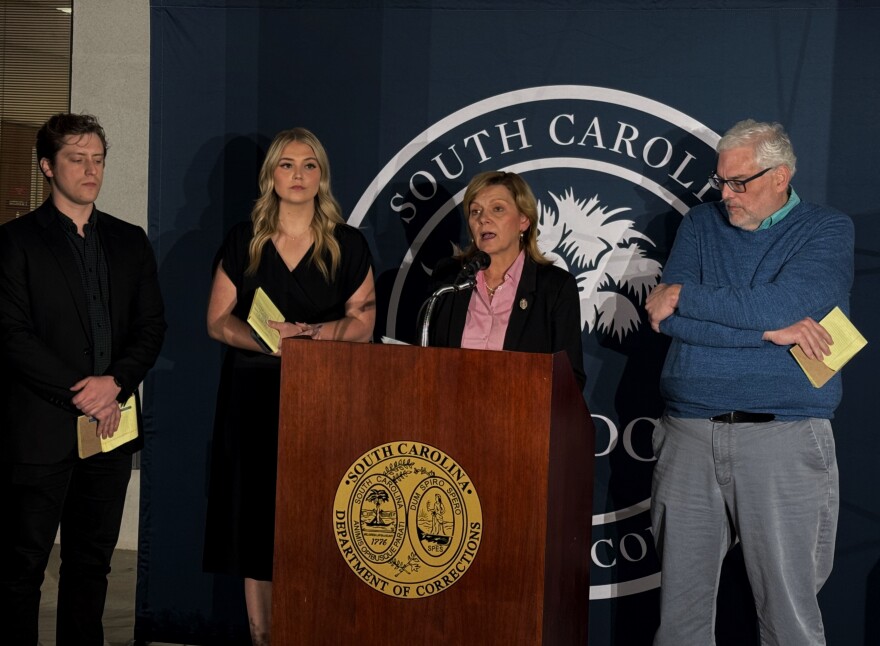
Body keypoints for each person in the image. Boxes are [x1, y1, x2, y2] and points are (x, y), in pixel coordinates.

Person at [645, 119, 854, 645]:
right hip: (687, 435)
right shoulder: (699, 223)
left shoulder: (826, 229)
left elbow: (785, 302)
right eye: (721, 181)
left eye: (741, 182)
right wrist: (769, 332)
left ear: (780, 176)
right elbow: (664, 319)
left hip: (782, 437)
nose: (727, 194)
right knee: (680, 620)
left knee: (789, 617)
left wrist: (688, 296)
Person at [203, 127, 375, 645]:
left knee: (321, 516)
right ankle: (263, 635)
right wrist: (272, 344)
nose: (297, 175)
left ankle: (318, 629)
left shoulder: (348, 244)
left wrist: (313, 336)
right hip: (252, 397)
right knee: (255, 522)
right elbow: (217, 321)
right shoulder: (244, 240)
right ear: (270, 176)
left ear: (321, 176)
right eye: (286, 165)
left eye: (308, 165)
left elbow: (364, 324)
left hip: (326, 397)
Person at [0, 113, 166, 645]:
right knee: (21, 570)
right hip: (39, 430)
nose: (90, 169)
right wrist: (86, 391)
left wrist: (114, 382)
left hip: (110, 429)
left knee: (92, 565)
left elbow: (151, 326)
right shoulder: (15, 242)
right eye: (77, 158)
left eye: (97, 158)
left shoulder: (129, 240)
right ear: (48, 167)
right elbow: (12, 335)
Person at [426, 170, 585, 390]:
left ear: (523, 220)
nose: (483, 219)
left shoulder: (555, 287)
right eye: (475, 211)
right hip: (450, 415)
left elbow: (570, 380)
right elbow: (424, 360)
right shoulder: (449, 278)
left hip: (521, 419)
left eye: (497, 209)